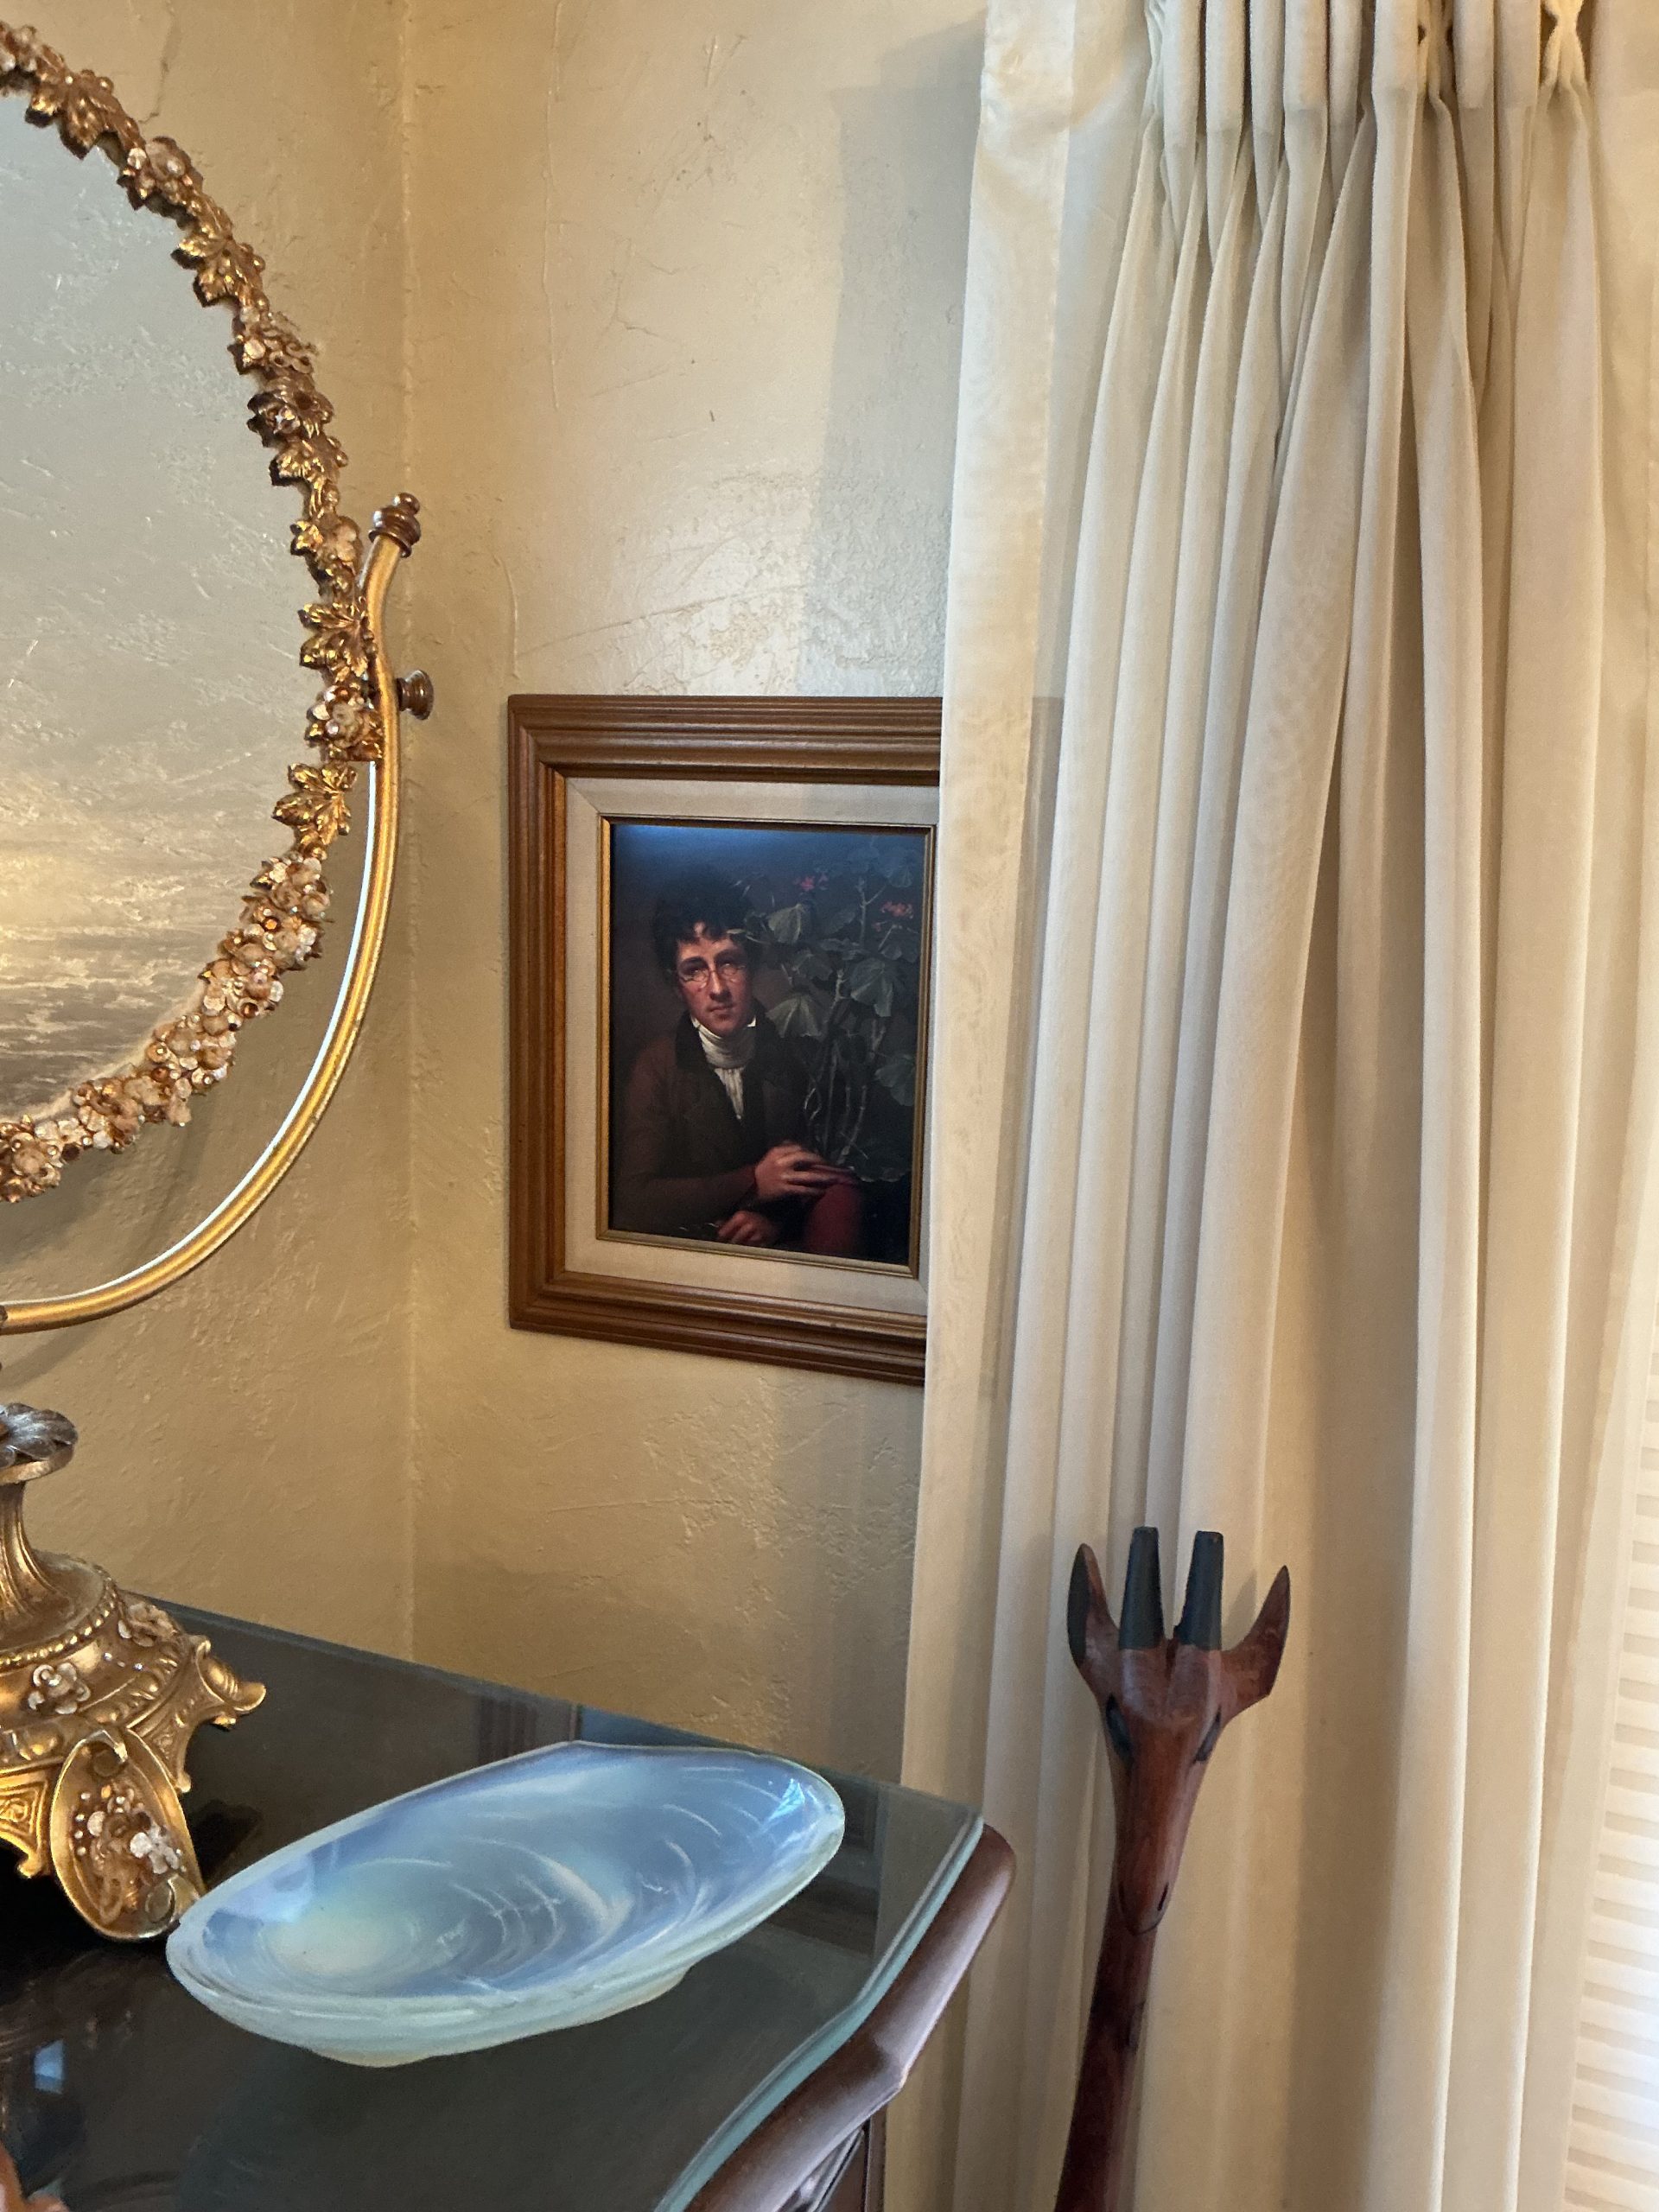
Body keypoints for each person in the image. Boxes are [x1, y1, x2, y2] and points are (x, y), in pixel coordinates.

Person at [611, 872, 864, 1255]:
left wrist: (775, 1221)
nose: (717, 989)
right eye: (695, 970)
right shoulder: (656, 1068)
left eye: (729, 963)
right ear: (675, 985)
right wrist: (752, 1182)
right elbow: (635, 1199)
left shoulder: (801, 1052)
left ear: (753, 964)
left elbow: (832, 1176)